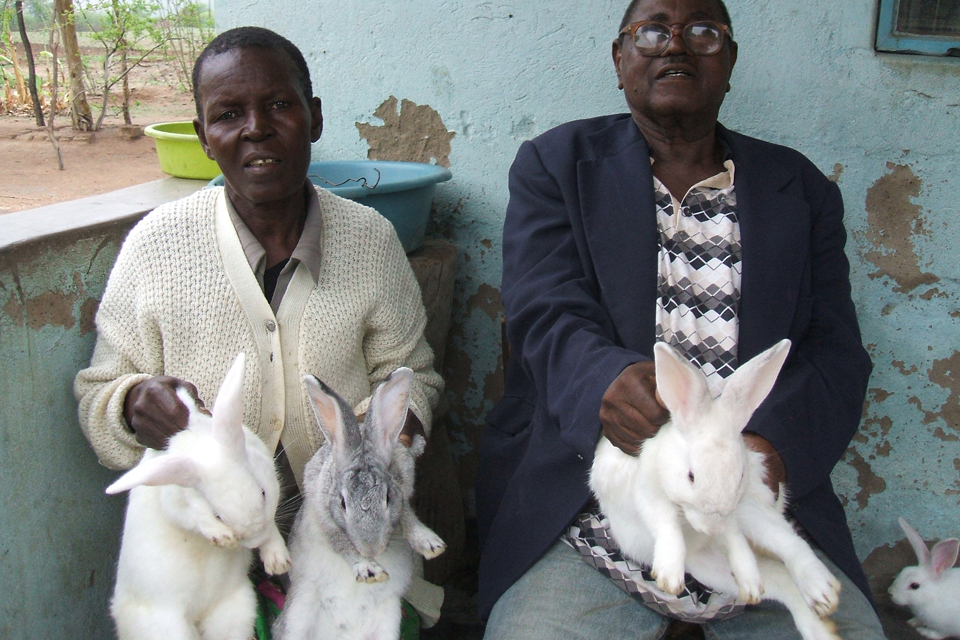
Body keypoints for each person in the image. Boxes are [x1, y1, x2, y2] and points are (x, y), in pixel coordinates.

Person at [476, 0, 887, 638]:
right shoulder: (556, 165)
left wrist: (764, 455)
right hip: (592, 517)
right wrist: (605, 382)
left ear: (729, 62)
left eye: (702, 30)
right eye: (651, 31)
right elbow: (542, 307)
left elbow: (836, 353)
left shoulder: (799, 189)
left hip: (751, 514)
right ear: (620, 60)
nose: (675, 45)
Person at [74, 26, 445, 625]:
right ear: (202, 137)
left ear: (313, 117)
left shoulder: (372, 241)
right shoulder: (155, 247)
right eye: (227, 114)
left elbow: (414, 375)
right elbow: (99, 395)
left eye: (278, 105)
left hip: (348, 542)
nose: (255, 128)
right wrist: (134, 402)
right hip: (207, 557)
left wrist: (383, 447)